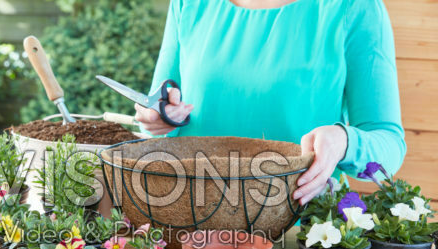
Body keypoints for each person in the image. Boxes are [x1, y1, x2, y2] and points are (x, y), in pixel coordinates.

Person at [136, 0, 406, 205]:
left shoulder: (353, 7)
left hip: (299, 236)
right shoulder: (189, 4)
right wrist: (156, 117)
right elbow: (159, 110)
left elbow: (389, 143)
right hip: (190, 219)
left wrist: (344, 141)